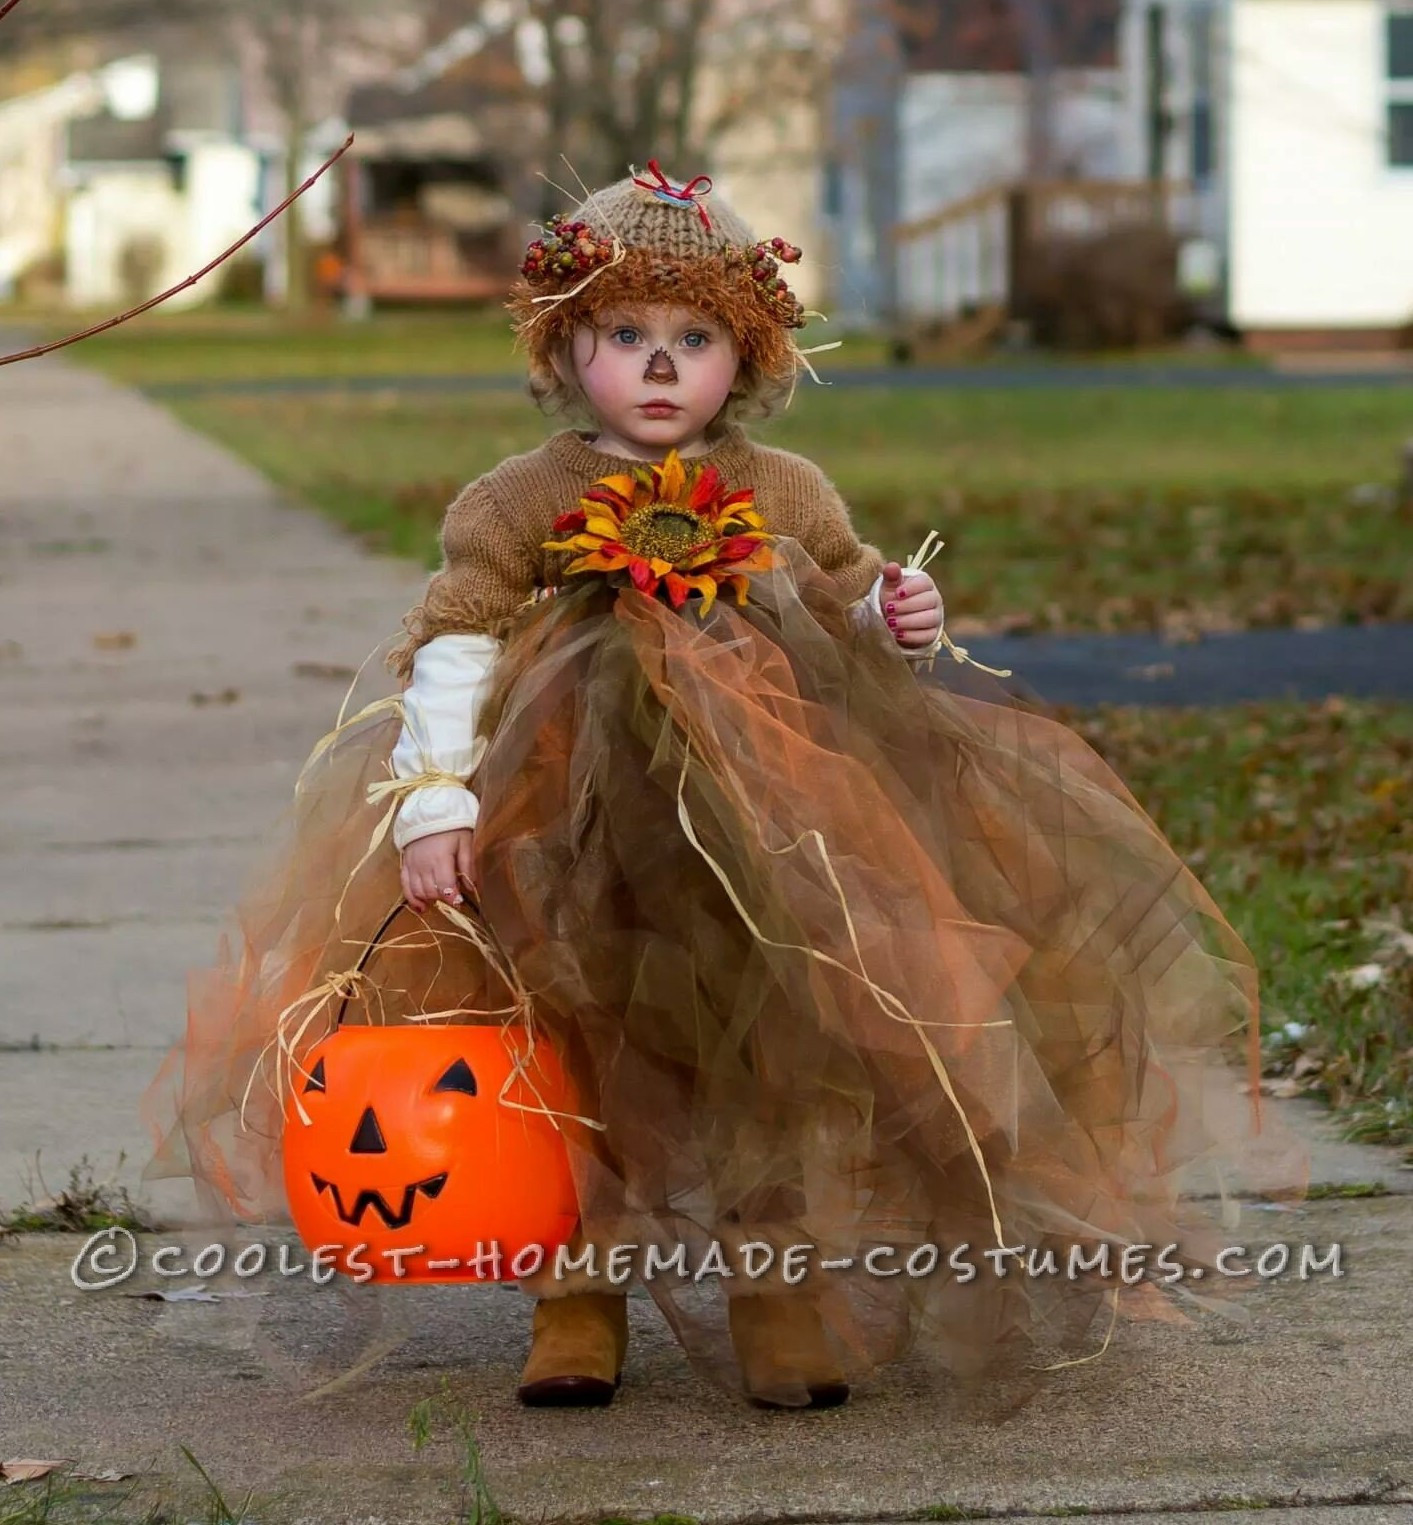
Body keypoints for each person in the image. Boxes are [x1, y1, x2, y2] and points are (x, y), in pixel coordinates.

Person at [140, 162, 1306, 1413]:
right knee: (570, 1047)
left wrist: (895, 612)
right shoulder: (522, 498)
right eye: (625, 334)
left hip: (759, 840)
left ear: (741, 355)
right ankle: (577, 1288)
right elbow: (457, 642)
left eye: (692, 339)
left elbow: (847, 597)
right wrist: (435, 798)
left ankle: (776, 1286)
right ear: (562, 341)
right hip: (564, 830)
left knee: (773, 1055)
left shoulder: (783, 490)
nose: (658, 365)